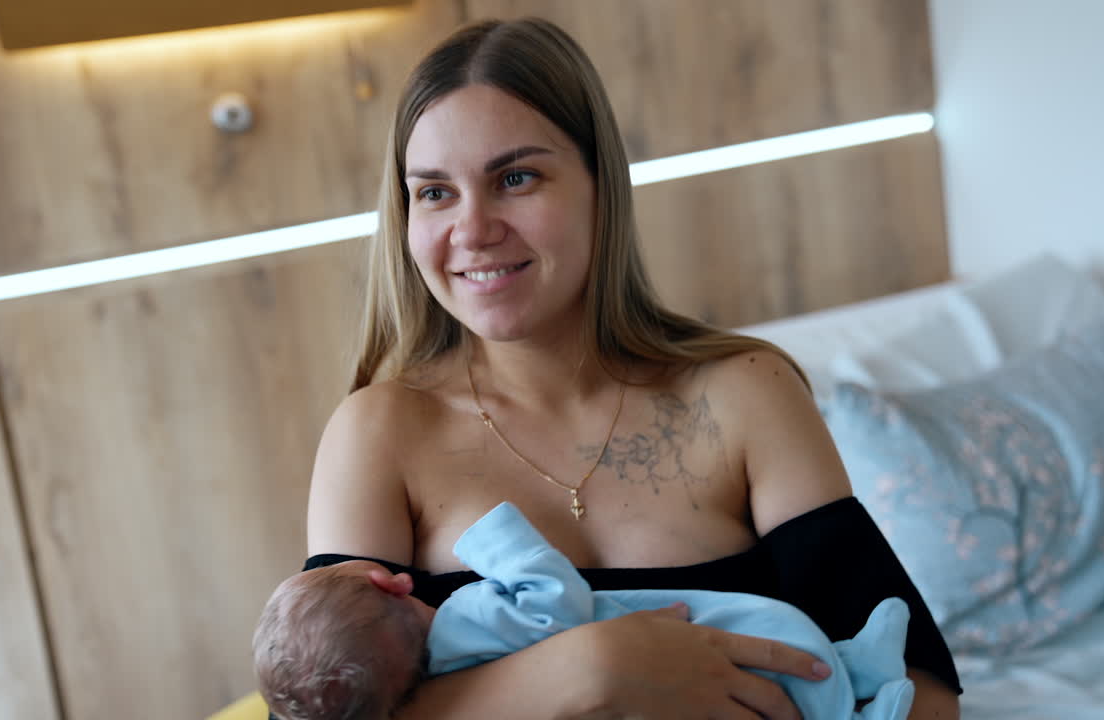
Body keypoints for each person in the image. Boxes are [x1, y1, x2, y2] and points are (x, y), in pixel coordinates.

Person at [302, 16, 962, 720]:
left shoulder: (745, 394)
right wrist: (588, 671)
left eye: (516, 177)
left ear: (599, 184)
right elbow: (319, 711)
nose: (472, 230)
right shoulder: (379, 434)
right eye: (434, 192)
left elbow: (921, 688)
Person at [255, 501, 916, 720]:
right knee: (788, 646)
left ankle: (857, 667)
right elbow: (556, 597)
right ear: (393, 583)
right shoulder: (470, 616)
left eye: (516, 177)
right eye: (433, 190)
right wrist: (495, 542)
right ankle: (857, 678)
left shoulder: (435, 672)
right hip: (741, 637)